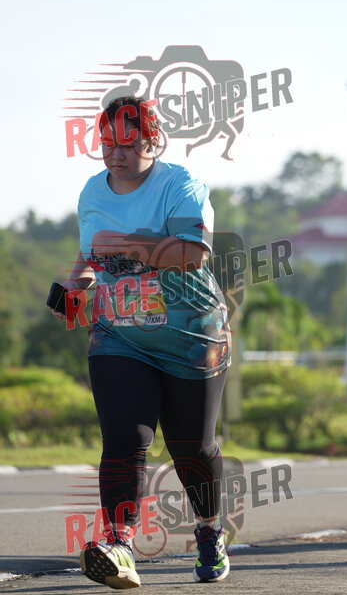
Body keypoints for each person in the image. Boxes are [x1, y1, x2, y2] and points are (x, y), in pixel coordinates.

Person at [48, 96, 231, 588]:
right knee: (125, 437)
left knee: (192, 449)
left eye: (128, 144)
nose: (116, 154)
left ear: (153, 140)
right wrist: (74, 287)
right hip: (119, 333)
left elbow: (194, 254)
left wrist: (130, 244)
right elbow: (91, 258)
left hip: (190, 335)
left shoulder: (180, 185)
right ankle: (120, 545)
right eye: (107, 143)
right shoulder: (92, 191)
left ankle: (209, 529)